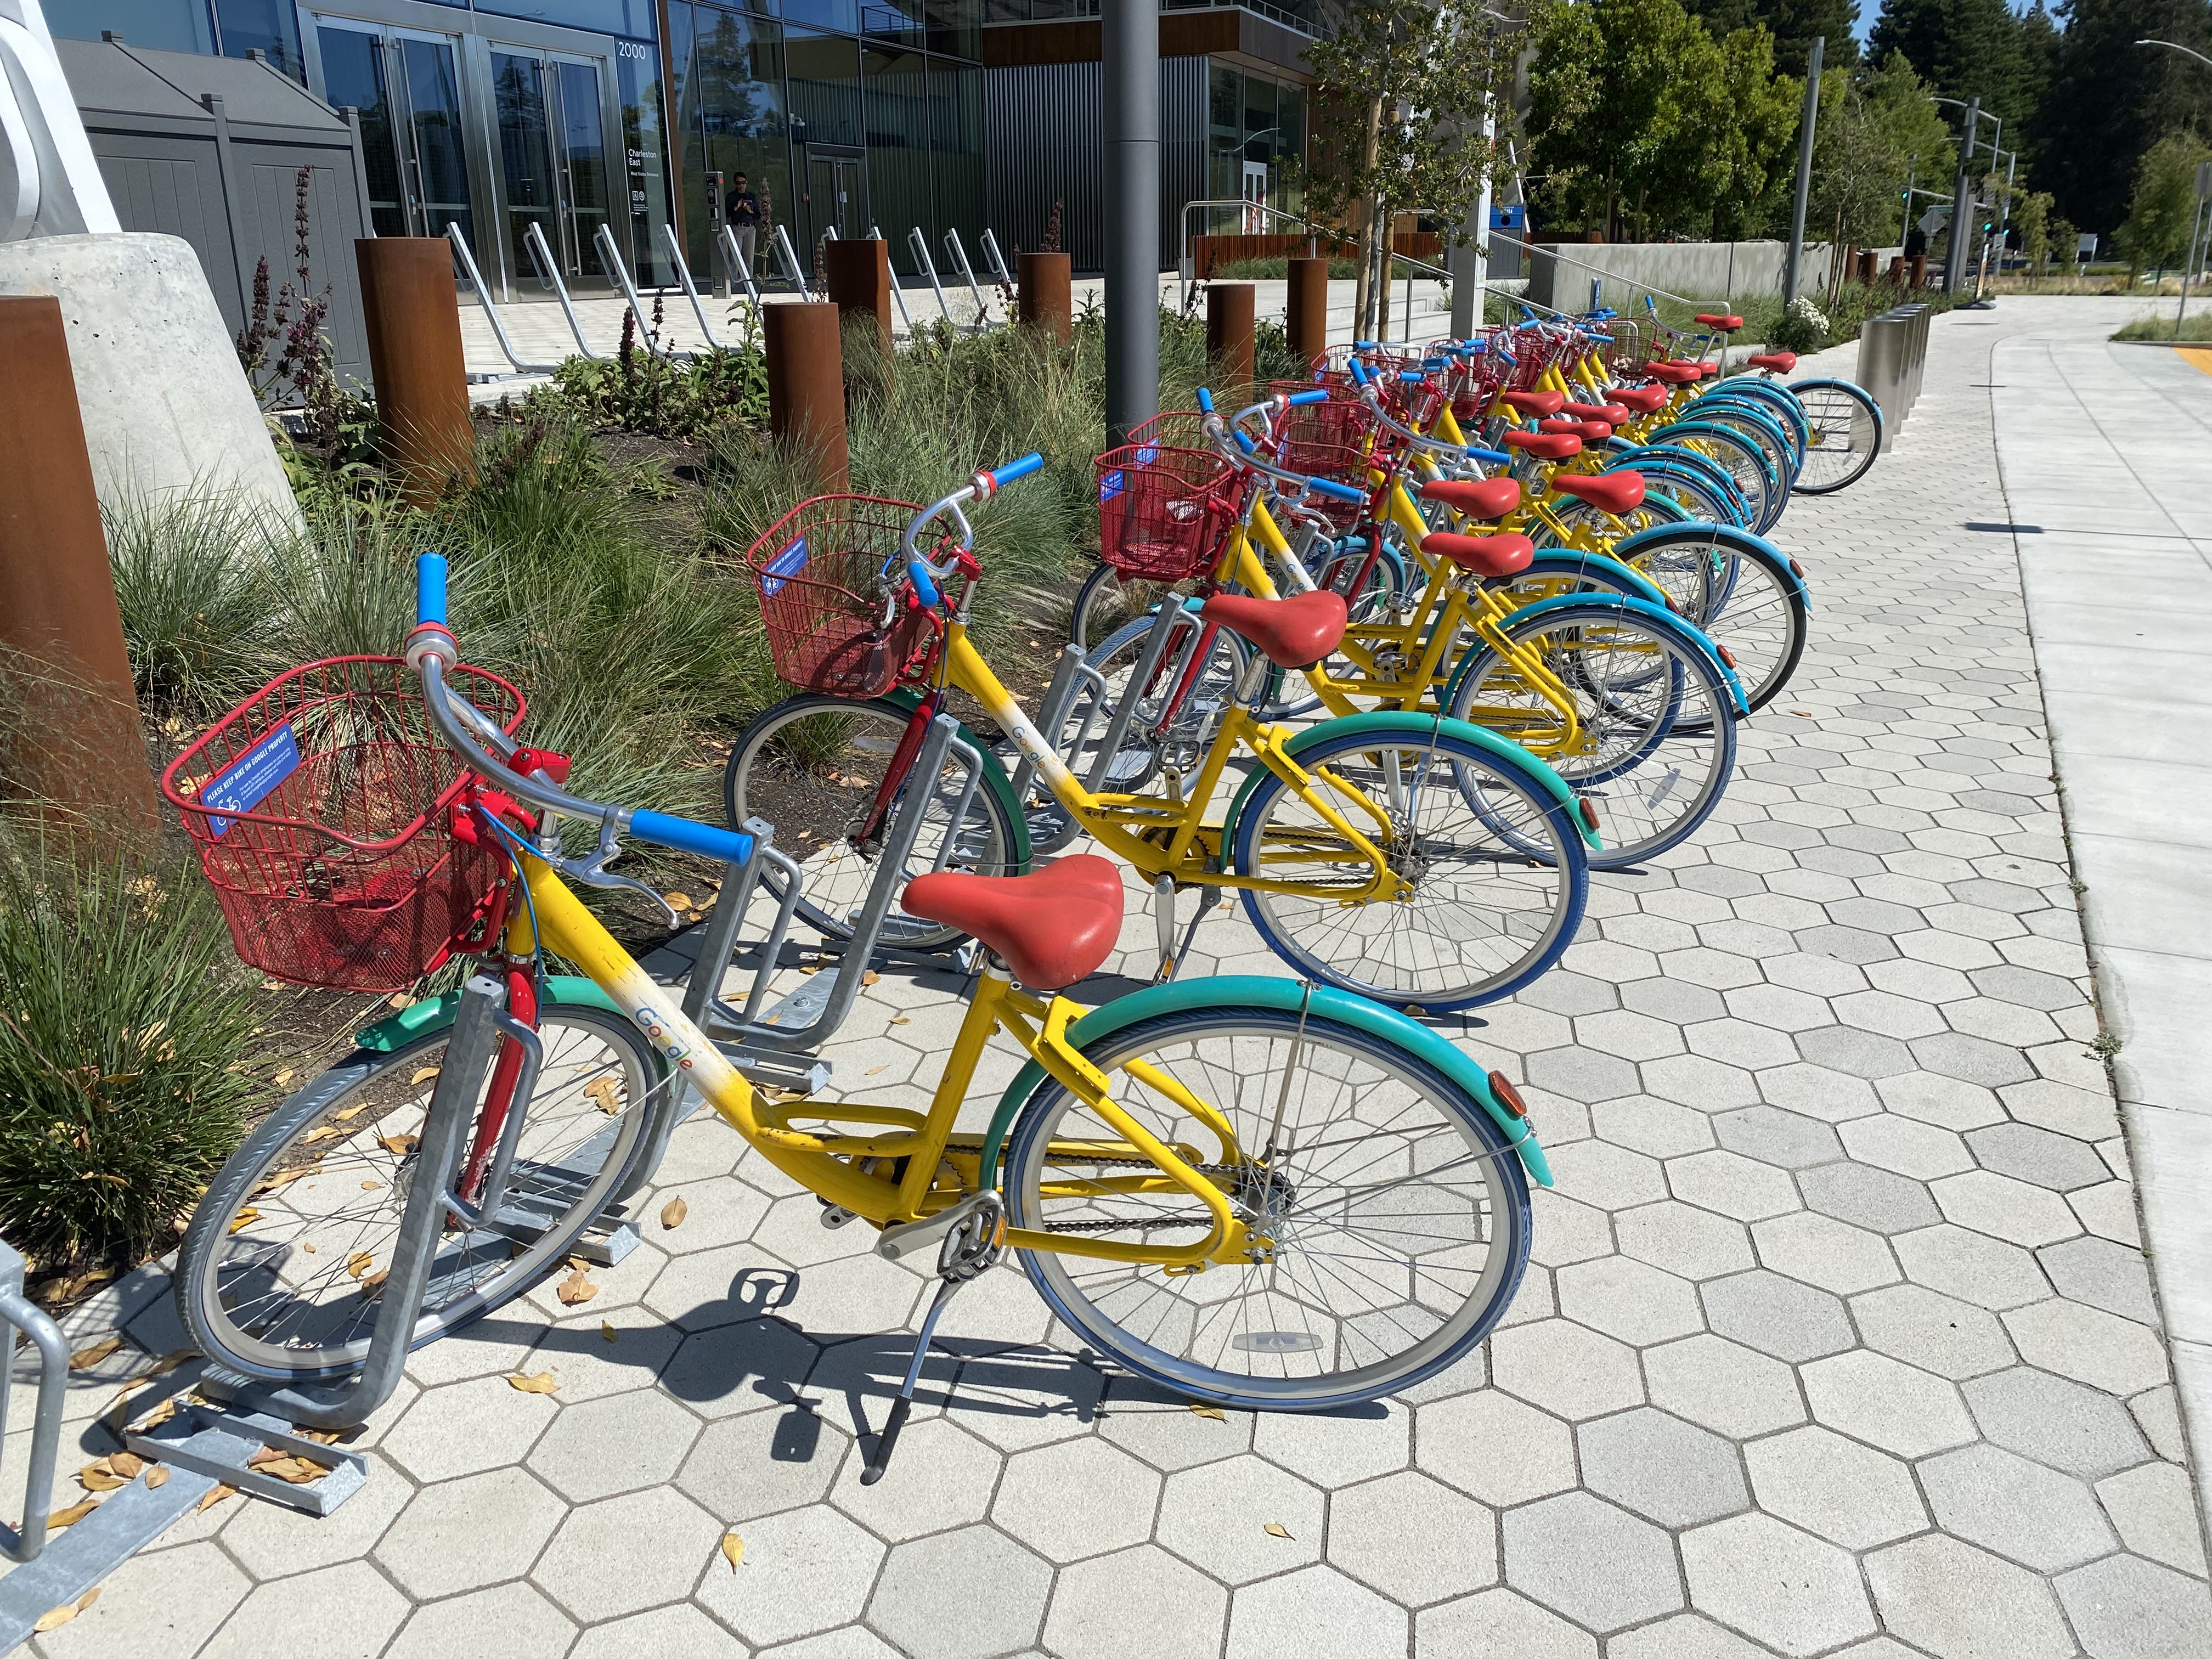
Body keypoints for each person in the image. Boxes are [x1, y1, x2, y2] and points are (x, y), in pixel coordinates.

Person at [729, 171, 761, 276]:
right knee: (735, 256)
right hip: (738, 227)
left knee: (749, 257)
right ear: (735, 184)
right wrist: (736, 207)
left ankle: (749, 281)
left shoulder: (751, 196)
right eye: (739, 183)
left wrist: (750, 211)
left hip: (750, 228)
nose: (741, 185)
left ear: (746, 182)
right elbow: (726, 213)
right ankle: (733, 282)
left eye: (743, 183)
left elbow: (758, 215)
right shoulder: (732, 196)